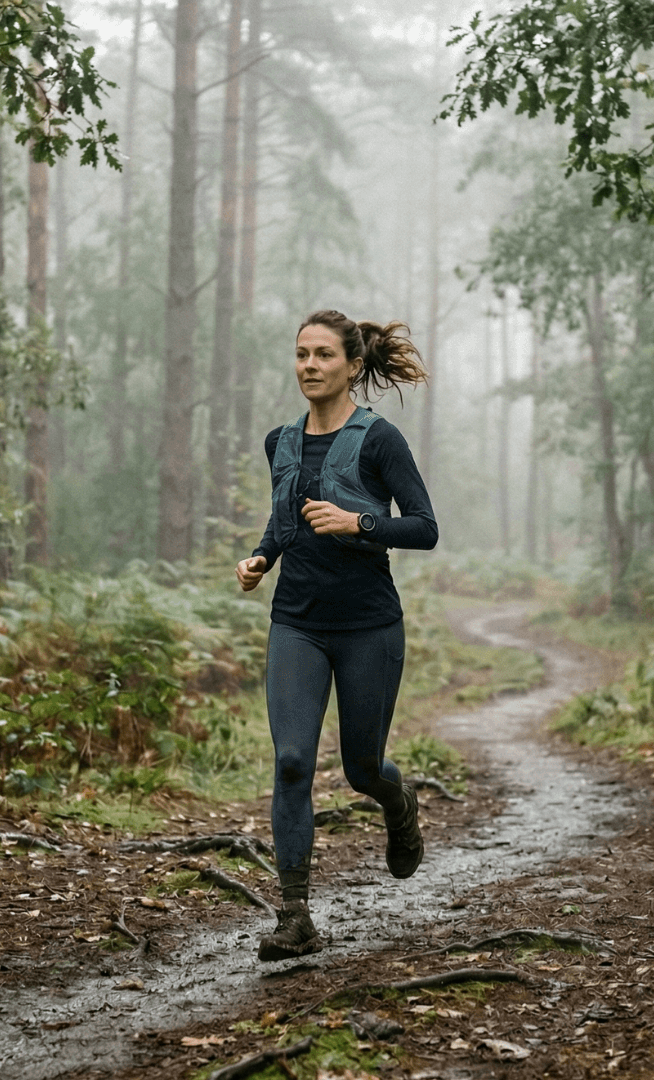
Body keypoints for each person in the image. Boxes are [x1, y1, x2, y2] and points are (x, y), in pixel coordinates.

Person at [235, 309, 439, 961]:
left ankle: (396, 799)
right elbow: (284, 519)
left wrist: (360, 525)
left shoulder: (380, 441)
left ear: (352, 365)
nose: (309, 366)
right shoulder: (280, 442)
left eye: (323, 355)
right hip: (296, 622)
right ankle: (294, 917)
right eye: (301, 355)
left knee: (360, 769)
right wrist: (262, 558)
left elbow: (425, 527)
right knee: (292, 761)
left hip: (368, 626)